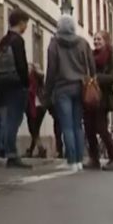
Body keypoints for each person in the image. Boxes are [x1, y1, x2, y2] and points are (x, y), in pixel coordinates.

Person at [45, 15, 95, 172]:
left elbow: (51, 70)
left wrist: (47, 91)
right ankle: (80, 160)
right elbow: (92, 65)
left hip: (62, 88)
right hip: (80, 87)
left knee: (66, 125)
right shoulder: (83, 43)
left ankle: (71, 161)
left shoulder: (54, 43)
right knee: (77, 125)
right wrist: (91, 80)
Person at [0, 8, 30, 168]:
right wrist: (26, 82)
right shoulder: (18, 40)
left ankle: (4, 149)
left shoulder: (4, 40)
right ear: (21, 23)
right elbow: (21, 65)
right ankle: (12, 154)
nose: (26, 27)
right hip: (16, 84)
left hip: (3, 83)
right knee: (14, 119)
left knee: (6, 118)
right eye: (26, 24)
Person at [83, 31, 113, 171]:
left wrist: (98, 78)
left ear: (106, 41)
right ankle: (94, 158)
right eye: (95, 39)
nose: (96, 42)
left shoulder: (112, 59)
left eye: (99, 39)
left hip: (103, 99)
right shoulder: (91, 56)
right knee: (88, 128)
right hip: (89, 97)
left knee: (102, 128)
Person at [25, 63, 48, 158]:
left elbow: (29, 92)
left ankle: (41, 149)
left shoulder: (30, 78)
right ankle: (32, 150)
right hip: (42, 106)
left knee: (33, 130)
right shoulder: (40, 78)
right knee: (35, 130)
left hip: (34, 106)